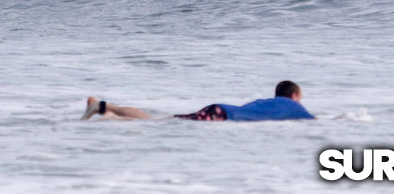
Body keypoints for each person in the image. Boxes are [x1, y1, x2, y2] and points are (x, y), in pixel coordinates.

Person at [81, 80, 315, 122]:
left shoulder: (266, 102)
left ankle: (106, 113)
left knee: (160, 120)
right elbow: (316, 121)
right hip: (220, 115)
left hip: (218, 109)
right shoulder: (294, 107)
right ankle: (103, 107)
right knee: (154, 121)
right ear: (295, 96)